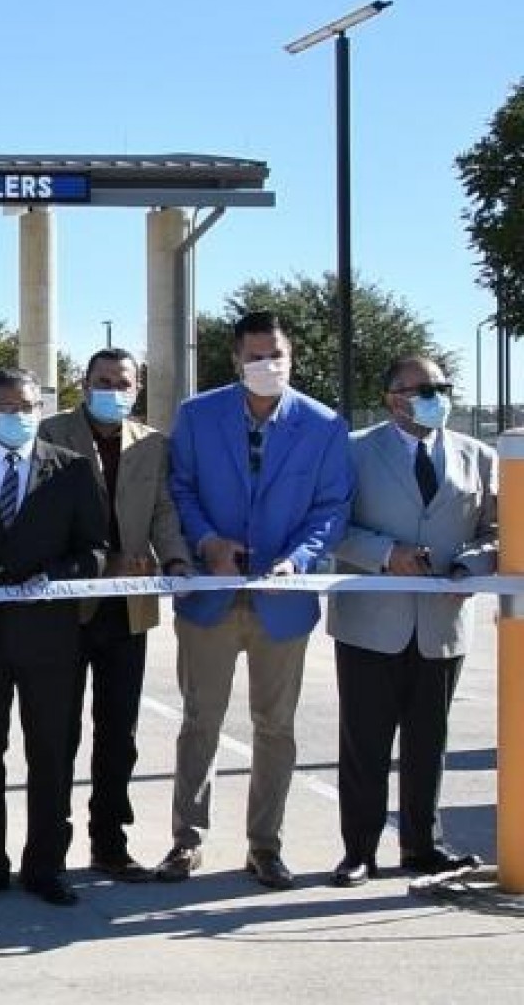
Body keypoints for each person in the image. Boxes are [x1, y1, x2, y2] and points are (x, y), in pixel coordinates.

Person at [159, 311, 353, 889]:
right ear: (236, 361)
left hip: (282, 603)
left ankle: (265, 845)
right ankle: (186, 841)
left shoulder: (324, 425)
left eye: (277, 355)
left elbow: (332, 509)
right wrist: (207, 543)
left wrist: (297, 560)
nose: (267, 365)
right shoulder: (197, 416)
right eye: (255, 356)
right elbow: (179, 489)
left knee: (276, 727)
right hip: (211, 597)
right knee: (200, 722)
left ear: (291, 358)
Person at [0, 368, 108, 907]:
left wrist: (55, 575)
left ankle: (46, 866)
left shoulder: (72, 469)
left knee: (51, 754)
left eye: (29, 406)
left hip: (51, 638)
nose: (20, 416)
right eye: (8, 408)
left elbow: (96, 550)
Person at [326, 356, 493, 886]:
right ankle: (359, 851)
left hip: (442, 624)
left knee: (428, 742)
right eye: (424, 389)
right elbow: (329, 525)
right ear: (392, 398)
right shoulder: (351, 451)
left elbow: (497, 530)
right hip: (370, 624)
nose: (436, 397)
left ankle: (423, 846)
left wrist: (472, 565)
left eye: (442, 387)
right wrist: (385, 554)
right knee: (365, 743)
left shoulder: (477, 455)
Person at [38, 348, 191, 881]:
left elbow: (164, 511)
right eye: (102, 381)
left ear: (137, 388)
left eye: (123, 382)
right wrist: (97, 562)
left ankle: (109, 843)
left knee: (118, 736)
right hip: (66, 607)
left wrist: (175, 558)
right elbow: (43, 518)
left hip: (128, 609)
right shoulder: (52, 434)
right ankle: (50, 847)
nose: (113, 390)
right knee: (59, 734)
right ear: (84, 385)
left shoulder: (153, 444)